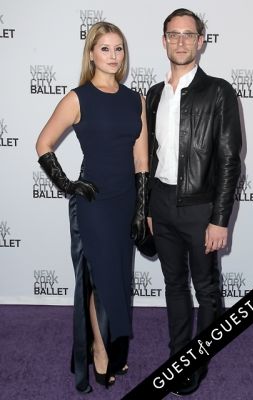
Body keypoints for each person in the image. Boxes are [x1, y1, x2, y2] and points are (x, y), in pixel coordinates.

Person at [36, 21, 149, 394]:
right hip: (95, 201)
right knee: (99, 281)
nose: (113, 56)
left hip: (125, 200)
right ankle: (99, 351)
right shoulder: (77, 98)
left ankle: (114, 345)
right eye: (105, 49)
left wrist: (139, 209)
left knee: (118, 279)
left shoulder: (136, 100)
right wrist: (69, 185)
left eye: (119, 49)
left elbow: (142, 161)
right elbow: (43, 144)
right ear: (91, 53)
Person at [146, 8, 242, 396]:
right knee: (173, 285)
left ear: (202, 41)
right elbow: (150, 158)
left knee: (206, 288)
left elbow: (230, 159)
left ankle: (196, 359)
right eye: (174, 34)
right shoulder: (153, 93)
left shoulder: (218, 91)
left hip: (202, 207)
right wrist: (150, 208)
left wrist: (220, 219)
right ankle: (176, 355)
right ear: (164, 40)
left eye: (189, 34)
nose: (181, 41)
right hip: (163, 202)